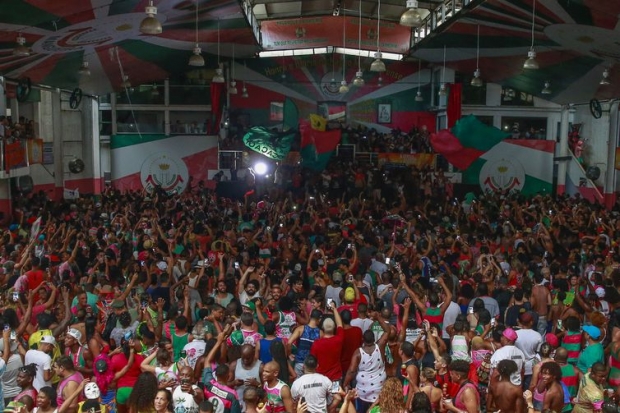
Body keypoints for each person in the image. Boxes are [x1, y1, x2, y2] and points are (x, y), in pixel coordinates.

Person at [343, 328, 388, 413]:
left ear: (363, 339)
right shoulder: (380, 347)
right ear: (374, 339)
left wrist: (345, 383)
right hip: (379, 389)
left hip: (363, 391)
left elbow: (351, 371)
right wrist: (378, 317)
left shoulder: (358, 353)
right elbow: (387, 330)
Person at [309, 302, 344, 382]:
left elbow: (312, 361)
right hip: (336, 378)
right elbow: (340, 324)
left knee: (322, 395)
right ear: (334, 328)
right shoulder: (338, 339)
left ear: (323, 328)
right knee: (336, 394)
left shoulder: (316, 343)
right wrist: (334, 308)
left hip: (321, 379)